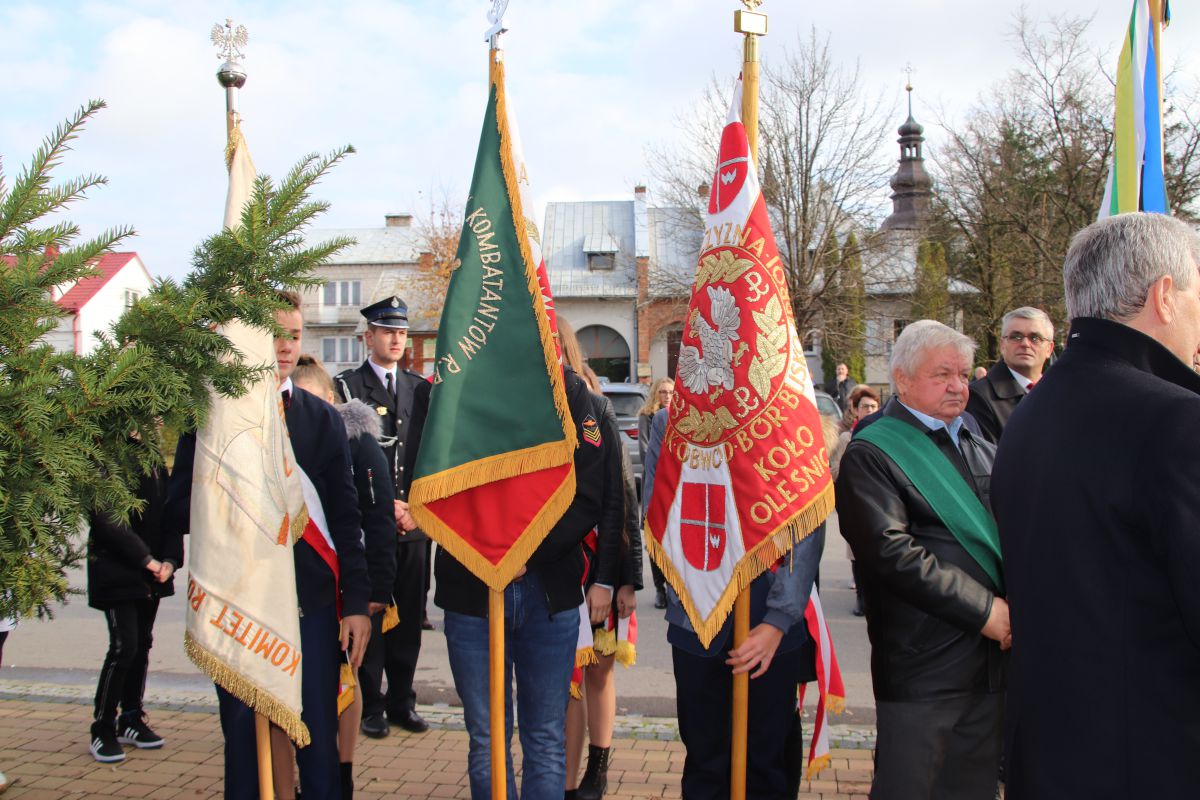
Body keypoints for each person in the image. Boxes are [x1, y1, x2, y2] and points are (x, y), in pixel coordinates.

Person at [993, 213, 1200, 798]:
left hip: (1051, 751)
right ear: (1164, 295)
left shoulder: (1032, 412)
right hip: (1153, 760)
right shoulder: (1177, 418)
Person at [167, 291, 372, 800]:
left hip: (312, 606)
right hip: (241, 606)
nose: (285, 346)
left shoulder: (321, 418)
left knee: (317, 743)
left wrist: (355, 603)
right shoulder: (212, 417)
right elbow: (177, 507)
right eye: (273, 334)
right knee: (244, 748)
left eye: (294, 335)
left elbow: (345, 518)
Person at [409, 329, 625, 800]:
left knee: (545, 738)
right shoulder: (442, 388)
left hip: (548, 589)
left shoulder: (569, 391)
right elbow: (423, 483)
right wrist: (491, 549)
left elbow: (588, 493)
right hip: (472, 588)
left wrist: (526, 552)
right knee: (487, 739)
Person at [836, 320, 1009, 800]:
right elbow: (892, 554)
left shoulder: (980, 444)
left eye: (963, 374)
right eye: (942, 374)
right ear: (903, 378)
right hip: (923, 668)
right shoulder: (872, 453)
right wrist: (985, 611)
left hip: (988, 666)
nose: (958, 386)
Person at [267, 355, 398, 800]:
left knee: (344, 683)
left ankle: (342, 769)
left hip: (342, 581)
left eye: (317, 398)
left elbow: (373, 519)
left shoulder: (357, 443)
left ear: (331, 399)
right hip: (295, 584)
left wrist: (374, 590)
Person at [335, 295, 430, 738]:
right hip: (370, 524)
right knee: (371, 612)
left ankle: (401, 701)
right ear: (368, 336)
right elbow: (344, 460)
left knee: (409, 618)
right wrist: (382, 504)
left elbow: (430, 456)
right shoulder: (347, 388)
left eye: (401, 332)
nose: (396, 339)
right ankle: (370, 703)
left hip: (413, 524)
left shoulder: (420, 388)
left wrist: (417, 507)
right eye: (387, 331)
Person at [562, 322, 642, 800]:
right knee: (566, 681)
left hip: (598, 561)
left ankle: (598, 767)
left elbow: (623, 496)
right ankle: (566, 781)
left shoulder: (596, 407)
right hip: (558, 566)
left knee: (597, 670)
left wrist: (624, 579)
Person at [86, 451, 182, 764]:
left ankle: (131, 717)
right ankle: (103, 726)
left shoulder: (153, 459)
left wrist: (170, 560)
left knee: (142, 644)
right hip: (117, 570)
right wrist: (146, 559)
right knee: (123, 646)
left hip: (151, 574)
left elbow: (169, 512)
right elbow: (106, 518)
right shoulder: (107, 454)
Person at [828, 385, 881, 617]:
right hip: (856, 501)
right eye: (865, 407)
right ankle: (861, 597)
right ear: (856, 410)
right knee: (857, 551)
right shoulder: (846, 438)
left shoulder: (885, 434)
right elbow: (834, 470)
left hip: (881, 502)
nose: (869, 410)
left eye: (873, 406)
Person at [966, 307, 1055, 444]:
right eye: (1016, 337)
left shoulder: (1062, 393)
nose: (1025, 344)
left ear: (1049, 348)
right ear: (1002, 345)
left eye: (1035, 338)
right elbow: (988, 455)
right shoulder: (979, 396)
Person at [637, 378, 674, 611]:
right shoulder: (649, 416)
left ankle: (672, 586)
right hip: (653, 479)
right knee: (654, 542)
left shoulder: (678, 416)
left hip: (670, 484)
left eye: (670, 392)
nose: (667, 396)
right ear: (655, 394)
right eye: (662, 392)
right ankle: (660, 588)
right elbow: (645, 451)